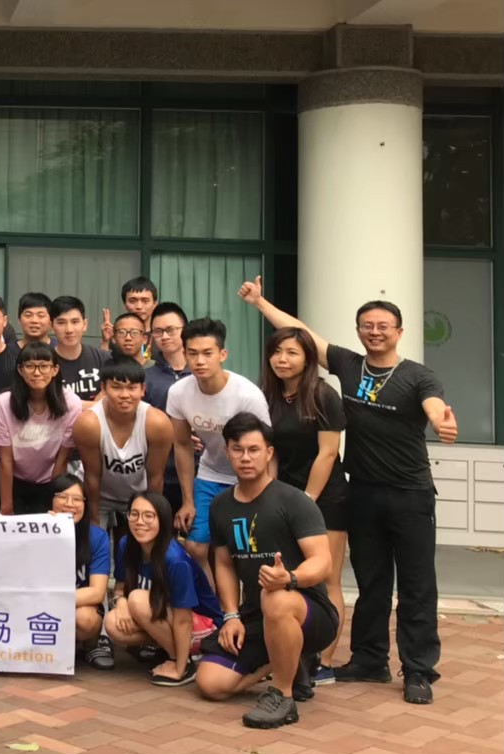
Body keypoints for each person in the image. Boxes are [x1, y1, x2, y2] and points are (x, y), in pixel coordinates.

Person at [239, 277, 455, 704]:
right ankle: (369, 659)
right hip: (363, 492)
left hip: (410, 494)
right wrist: (261, 302)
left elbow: (433, 403)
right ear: (358, 331)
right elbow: (301, 333)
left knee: (416, 584)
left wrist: (440, 419)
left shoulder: (417, 375)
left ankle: (418, 669)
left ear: (399, 331)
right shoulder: (349, 365)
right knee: (372, 580)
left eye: (383, 326)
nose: (375, 332)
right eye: (367, 326)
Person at [195, 413, 338, 728]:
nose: (245, 458)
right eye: (237, 450)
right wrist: (231, 615)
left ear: (269, 453)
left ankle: (282, 696)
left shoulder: (294, 501)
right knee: (211, 684)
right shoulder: (221, 506)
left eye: (253, 450)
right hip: (257, 615)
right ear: (227, 452)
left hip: (309, 612)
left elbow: (322, 561)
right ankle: (288, 661)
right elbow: (224, 564)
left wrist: (291, 578)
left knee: (275, 596)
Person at [257, 326, 348, 683]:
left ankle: (322, 660)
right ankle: (287, 656)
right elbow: (271, 451)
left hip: (324, 496)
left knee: (326, 576)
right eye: (277, 352)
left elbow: (328, 453)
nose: (282, 359)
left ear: (308, 358)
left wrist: (306, 500)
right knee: (286, 573)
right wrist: (271, 495)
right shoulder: (267, 396)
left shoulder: (324, 395)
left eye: (292, 352)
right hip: (284, 494)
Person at [165, 318, 271, 568]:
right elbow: (182, 445)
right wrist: (188, 500)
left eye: (207, 353)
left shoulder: (248, 395)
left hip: (247, 476)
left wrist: (266, 494)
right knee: (195, 546)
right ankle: (213, 595)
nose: (199, 361)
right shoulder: (178, 392)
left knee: (246, 548)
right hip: (210, 473)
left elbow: (266, 449)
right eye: (192, 353)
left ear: (222, 354)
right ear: (184, 355)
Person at [107, 492, 222, 687]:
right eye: (134, 514)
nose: (140, 522)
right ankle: (175, 651)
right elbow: (119, 588)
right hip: (166, 616)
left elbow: (183, 619)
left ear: (163, 520)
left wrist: (179, 668)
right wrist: (121, 603)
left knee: (137, 599)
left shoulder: (175, 560)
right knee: (113, 623)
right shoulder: (126, 544)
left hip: (204, 625)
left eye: (148, 516)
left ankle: (184, 662)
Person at [72, 356, 174, 534]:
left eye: (132, 388)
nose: (125, 395)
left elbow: (155, 478)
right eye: (116, 387)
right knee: (94, 541)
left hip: (138, 495)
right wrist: (94, 520)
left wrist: (150, 515)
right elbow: (92, 476)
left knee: (138, 544)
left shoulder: (157, 423)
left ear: (142, 390)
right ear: (103, 389)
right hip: (97, 495)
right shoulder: (89, 423)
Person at [0, 342, 80, 516]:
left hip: (48, 478)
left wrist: (53, 504)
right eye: (30, 366)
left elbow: (62, 459)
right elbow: (5, 460)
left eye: (44, 366)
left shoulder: (71, 403)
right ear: (20, 370)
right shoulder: (4, 402)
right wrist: (7, 507)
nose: (37, 372)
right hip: (8, 477)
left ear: (55, 370)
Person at [51, 473, 114, 671]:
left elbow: (97, 592)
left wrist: (52, 599)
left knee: (85, 619)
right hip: (39, 607)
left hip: (76, 606)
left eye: (77, 499)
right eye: (62, 497)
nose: (70, 504)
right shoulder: (35, 531)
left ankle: (89, 645)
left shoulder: (97, 537)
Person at [143, 301, 192, 510]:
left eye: (171, 330)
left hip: (201, 471)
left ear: (185, 330)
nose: (164, 336)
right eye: (158, 331)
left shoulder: (202, 372)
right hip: (159, 472)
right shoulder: (145, 377)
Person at [50, 295, 111, 402]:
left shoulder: (104, 359)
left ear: (85, 324)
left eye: (75, 322)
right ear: (51, 326)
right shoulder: (44, 363)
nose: (69, 330)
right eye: (61, 323)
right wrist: (95, 405)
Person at [102, 277, 158, 361]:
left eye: (145, 301)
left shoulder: (162, 336)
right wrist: (105, 341)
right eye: (132, 301)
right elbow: (102, 365)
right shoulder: (117, 335)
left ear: (154, 304)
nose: (139, 306)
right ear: (125, 304)